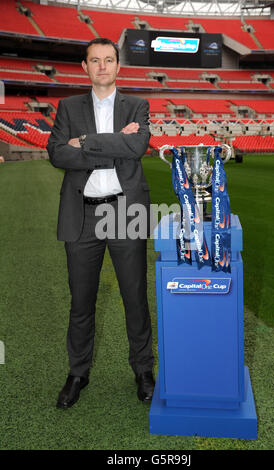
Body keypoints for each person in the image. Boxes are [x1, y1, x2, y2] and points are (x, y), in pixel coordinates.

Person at [47, 38, 155, 409]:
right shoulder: (68, 106)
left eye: (109, 60)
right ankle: (78, 373)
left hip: (127, 211)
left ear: (118, 66)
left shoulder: (137, 105)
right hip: (82, 214)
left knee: (135, 298)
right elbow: (57, 153)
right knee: (81, 301)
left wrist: (87, 143)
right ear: (85, 66)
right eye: (95, 60)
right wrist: (111, 145)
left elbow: (136, 148)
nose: (103, 66)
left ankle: (143, 370)